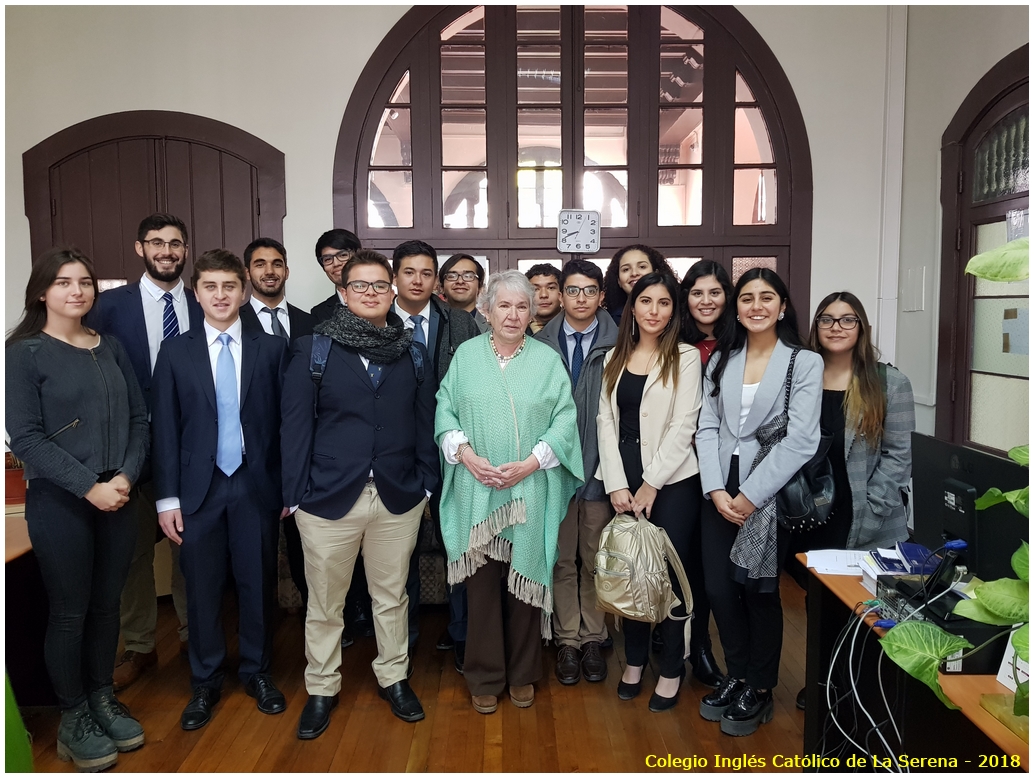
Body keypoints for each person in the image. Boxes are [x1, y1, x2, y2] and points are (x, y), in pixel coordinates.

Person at [281, 249, 439, 737]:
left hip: (397, 495)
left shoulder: (412, 351)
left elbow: (425, 421)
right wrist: (296, 494)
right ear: (343, 292)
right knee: (326, 603)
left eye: (379, 285)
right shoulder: (314, 348)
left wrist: (426, 484)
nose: (371, 293)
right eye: (360, 285)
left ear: (392, 291)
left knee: (391, 597)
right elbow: (294, 426)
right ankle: (322, 687)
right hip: (327, 498)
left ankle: (394, 676)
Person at [7, 247, 149, 771]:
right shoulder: (23, 352)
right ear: (42, 292)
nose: (77, 291)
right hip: (60, 501)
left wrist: (126, 476)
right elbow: (26, 438)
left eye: (85, 282)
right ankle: (73, 717)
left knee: (107, 607)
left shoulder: (108, 345)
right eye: (64, 282)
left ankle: (101, 697)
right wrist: (90, 487)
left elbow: (139, 419)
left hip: (119, 497)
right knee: (70, 611)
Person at [152, 250, 289, 731]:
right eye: (210, 286)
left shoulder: (272, 348)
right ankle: (205, 680)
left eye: (230, 286)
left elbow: (286, 423)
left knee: (257, 584)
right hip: (198, 490)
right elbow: (165, 429)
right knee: (202, 587)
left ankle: (257, 672)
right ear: (197, 293)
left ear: (244, 290)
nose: (221, 295)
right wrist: (167, 498)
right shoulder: (176, 351)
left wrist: (288, 486)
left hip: (255, 484)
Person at [436, 270, 582, 714]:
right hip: (476, 487)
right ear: (486, 310)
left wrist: (531, 463)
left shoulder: (547, 360)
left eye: (522, 306)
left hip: (529, 488)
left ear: (532, 312)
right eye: (504, 305)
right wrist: (465, 455)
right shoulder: (466, 356)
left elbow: (565, 419)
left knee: (524, 586)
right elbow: (445, 409)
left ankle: (522, 673)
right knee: (480, 589)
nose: (513, 315)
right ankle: (484, 675)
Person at [695, 267, 822, 737]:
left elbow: (801, 440)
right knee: (718, 588)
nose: (756, 306)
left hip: (768, 488)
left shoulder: (803, 362)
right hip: (719, 485)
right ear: (737, 307)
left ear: (783, 307)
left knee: (759, 590)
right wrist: (715, 488)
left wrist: (750, 495)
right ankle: (737, 673)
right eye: (747, 298)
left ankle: (761, 686)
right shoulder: (722, 358)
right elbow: (707, 426)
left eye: (767, 297)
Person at [86, 212, 202, 689]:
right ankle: (139, 645)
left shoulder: (204, 302)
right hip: (128, 453)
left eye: (175, 243)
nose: (166, 251)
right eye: (156, 242)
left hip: (191, 451)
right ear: (140, 249)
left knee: (190, 550)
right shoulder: (108, 308)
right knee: (131, 554)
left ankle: (196, 637)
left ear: (186, 250)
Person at [788, 291, 915, 710]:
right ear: (816, 328)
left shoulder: (888, 382)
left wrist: (874, 509)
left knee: (864, 606)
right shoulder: (802, 377)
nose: (836, 327)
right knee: (819, 601)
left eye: (847, 320)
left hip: (864, 513)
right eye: (827, 319)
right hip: (811, 511)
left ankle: (858, 687)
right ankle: (824, 680)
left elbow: (899, 457)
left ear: (861, 327)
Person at [597, 272, 703, 712]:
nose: (654, 310)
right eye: (646, 301)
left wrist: (651, 483)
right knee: (632, 572)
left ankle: (673, 667)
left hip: (673, 481)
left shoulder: (686, 356)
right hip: (623, 479)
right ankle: (635, 661)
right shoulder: (614, 356)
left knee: (671, 577)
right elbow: (605, 421)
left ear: (673, 309)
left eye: (664, 302)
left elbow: (684, 424)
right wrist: (617, 483)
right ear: (633, 307)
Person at [392, 239, 480, 670]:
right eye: (409, 272)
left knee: (460, 548)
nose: (418, 280)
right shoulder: (376, 318)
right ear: (395, 277)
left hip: (454, 453)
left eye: (427, 273)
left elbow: (479, 385)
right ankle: (401, 645)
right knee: (398, 555)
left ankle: (463, 635)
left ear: (436, 282)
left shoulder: (460, 322)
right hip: (395, 454)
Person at [535, 259, 619, 685]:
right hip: (554, 471)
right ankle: (567, 637)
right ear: (560, 295)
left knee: (596, 560)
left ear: (602, 296)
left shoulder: (620, 343)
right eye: (572, 290)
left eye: (589, 290)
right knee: (561, 559)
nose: (580, 298)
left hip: (602, 471)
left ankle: (593, 637)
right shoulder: (540, 344)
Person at [239, 237, 316, 615]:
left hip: (305, 450)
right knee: (257, 549)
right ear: (247, 272)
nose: (269, 271)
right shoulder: (233, 322)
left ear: (286, 270)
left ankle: (316, 623)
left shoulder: (310, 322)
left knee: (307, 547)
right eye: (260, 264)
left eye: (276, 264)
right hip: (254, 452)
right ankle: (260, 628)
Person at [674, 260, 737, 688]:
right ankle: (690, 646)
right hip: (680, 469)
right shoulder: (675, 344)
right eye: (697, 293)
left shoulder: (741, 345)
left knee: (720, 574)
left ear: (726, 297)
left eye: (714, 292)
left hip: (727, 473)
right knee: (686, 565)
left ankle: (714, 650)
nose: (706, 301)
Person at [601, 244, 674, 325]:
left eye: (642, 267)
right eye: (626, 269)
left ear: (656, 273)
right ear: (618, 281)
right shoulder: (608, 320)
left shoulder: (676, 312)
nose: (634, 273)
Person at [310, 228, 362, 323]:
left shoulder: (381, 301)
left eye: (343, 255)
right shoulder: (318, 314)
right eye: (328, 259)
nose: (336, 263)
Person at [439, 253, 489, 332]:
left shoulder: (492, 330)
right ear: (441, 287)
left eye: (468, 276)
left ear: (480, 287)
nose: (460, 281)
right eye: (452, 276)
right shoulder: (430, 325)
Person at [525, 263, 562, 334]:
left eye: (551, 288)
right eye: (535, 289)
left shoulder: (573, 325)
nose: (543, 295)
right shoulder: (518, 328)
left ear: (561, 293)